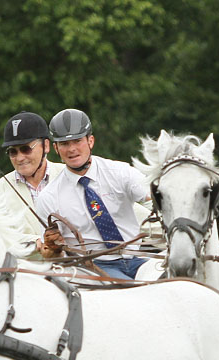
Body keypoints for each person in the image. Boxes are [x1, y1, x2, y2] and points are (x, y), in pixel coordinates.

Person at [35, 108, 150, 279]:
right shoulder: (48, 198)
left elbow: (155, 197)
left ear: (90, 141)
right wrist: (54, 249)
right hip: (92, 266)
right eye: (64, 144)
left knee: (171, 283)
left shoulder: (120, 172)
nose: (72, 149)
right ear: (56, 148)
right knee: (132, 292)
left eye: (77, 141)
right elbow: (53, 257)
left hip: (138, 258)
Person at [0, 111, 65, 238]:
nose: (19, 158)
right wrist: (37, 243)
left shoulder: (69, 177)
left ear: (45, 145)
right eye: (13, 152)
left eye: (26, 149)